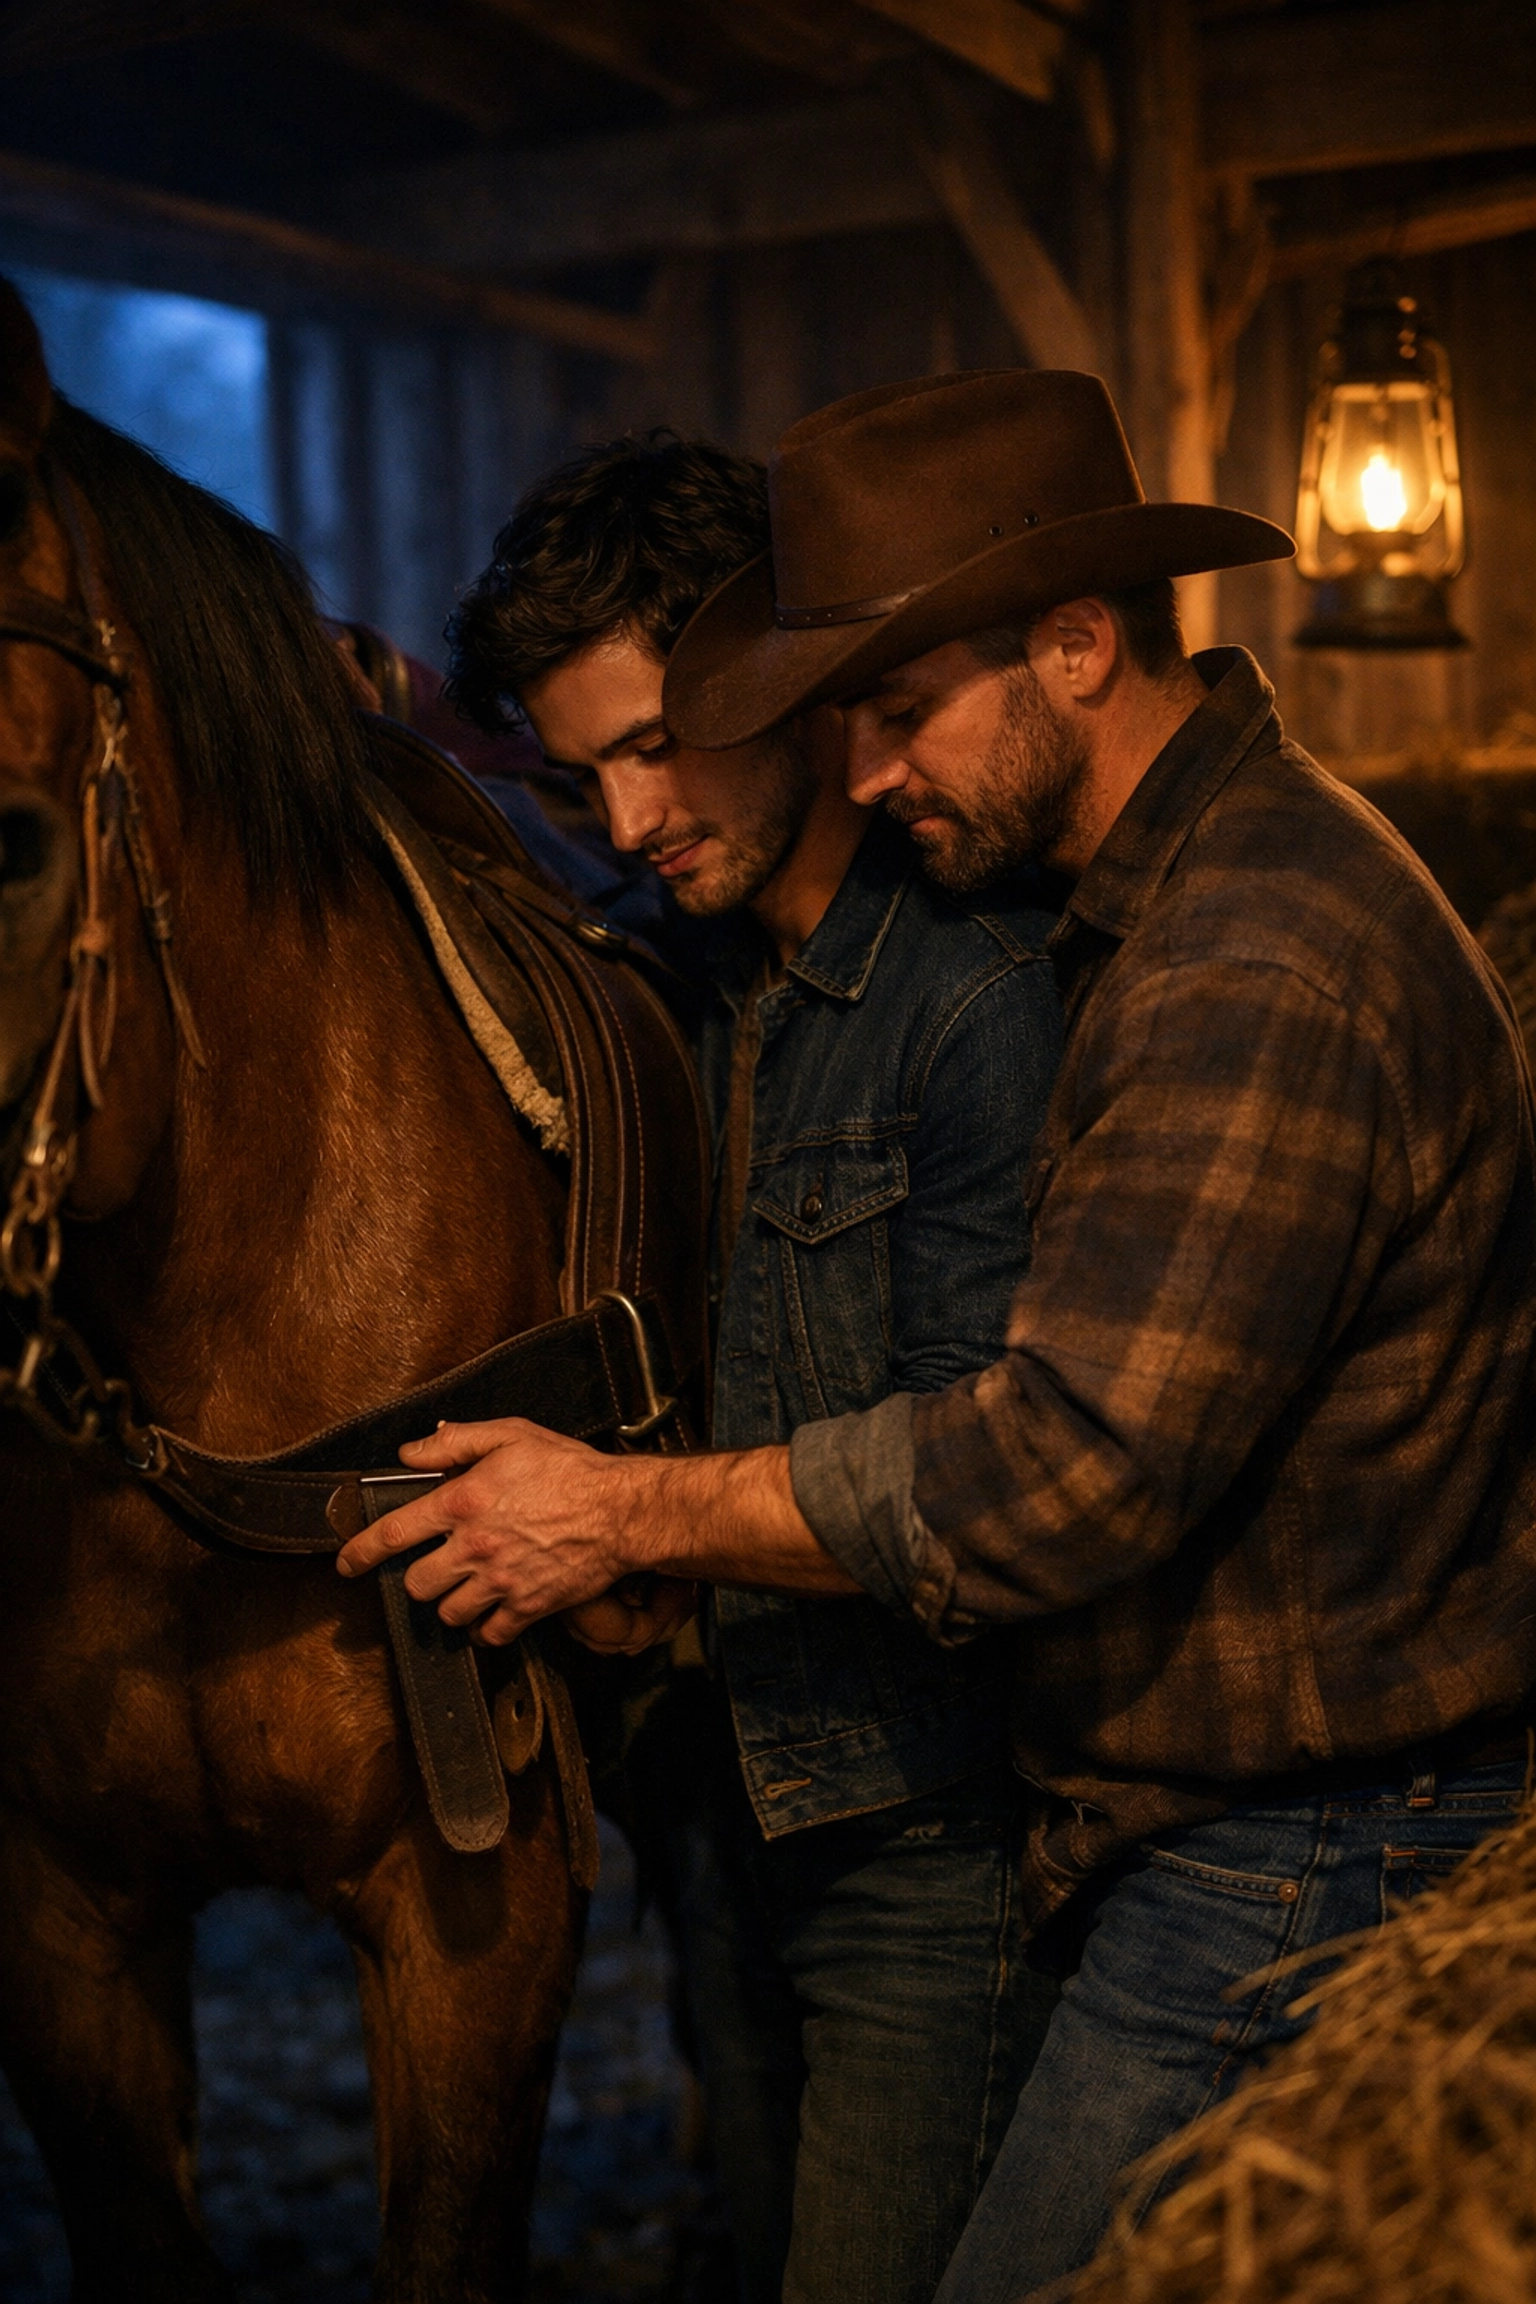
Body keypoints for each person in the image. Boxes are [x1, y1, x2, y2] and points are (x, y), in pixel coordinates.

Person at [339, 371, 1536, 2297]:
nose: (870, 767)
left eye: (897, 712)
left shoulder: (1248, 953)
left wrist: (628, 1518)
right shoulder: (1125, 917)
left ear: (1077, 644)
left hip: (1296, 1833)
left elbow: (1062, 1473)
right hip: (1195, 1812)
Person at [442, 428, 1064, 2304]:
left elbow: (987, 1497)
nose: (627, 823)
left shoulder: (976, 999)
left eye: (655, 746)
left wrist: (621, 1524)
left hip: (933, 1844)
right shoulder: (672, 995)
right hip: (728, 1811)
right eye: (584, 773)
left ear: (772, 680)